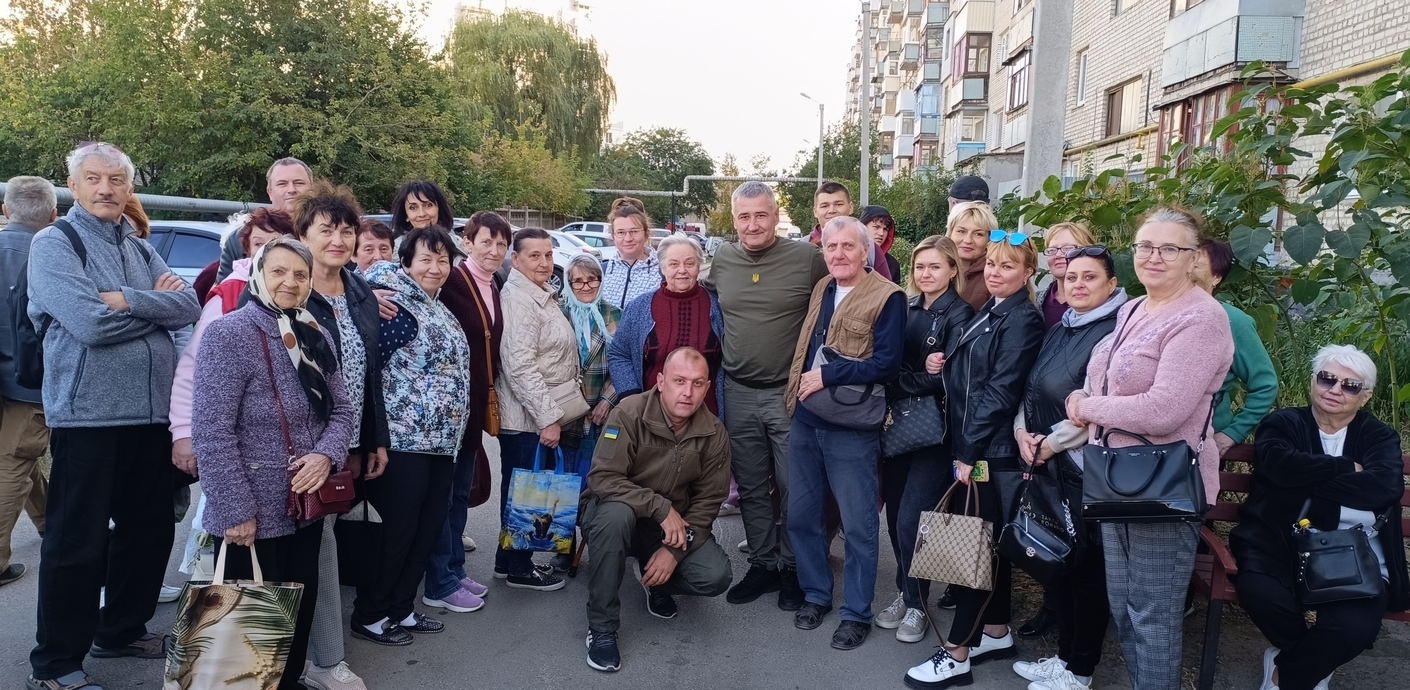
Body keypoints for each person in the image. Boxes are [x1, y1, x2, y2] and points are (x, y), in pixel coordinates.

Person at [26, 143, 201, 690]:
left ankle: (121, 629)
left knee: (149, 533)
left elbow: (189, 306)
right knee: (76, 543)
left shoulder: (137, 243)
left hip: (151, 417)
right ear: (73, 185)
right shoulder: (55, 242)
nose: (106, 189)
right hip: (89, 417)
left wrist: (123, 299)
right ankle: (56, 663)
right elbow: (90, 324)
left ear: (129, 188)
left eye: (117, 180)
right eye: (94, 178)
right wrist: (150, 302)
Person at [1064, 206, 1233, 690]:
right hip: (1114, 475)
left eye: (1169, 248)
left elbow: (1165, 410)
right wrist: (1084, 396)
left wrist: (1088, 406)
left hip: (1165, 483)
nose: (1154, 257)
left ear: (1193, 257)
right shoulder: (1134, 308)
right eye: (1145, 246)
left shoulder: (1202, 318)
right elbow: (1106, 377)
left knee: (1153, 615)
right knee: (1124, 607)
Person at [192, 237, 356, 690]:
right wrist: (235, 511)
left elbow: (342, 410)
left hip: (306, 506)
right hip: (252, 512)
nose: (290, 282)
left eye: (300, 274)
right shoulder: (230, 334)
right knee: (249, 630)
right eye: (278, 271)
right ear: (258, 275)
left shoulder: (313, 333)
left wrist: (325, 455)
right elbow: (212, 432)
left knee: (295, 617)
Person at [904, 227, 1046, 688]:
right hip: (976, 443)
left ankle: (957, 652)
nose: (995, 272)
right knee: (988, 543)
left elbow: (1000, 392)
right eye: (992, 263)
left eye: (1008, 265)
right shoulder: (993, 310)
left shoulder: (1021, 319)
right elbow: (972, 376)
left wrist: (967, 451)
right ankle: (996, 631)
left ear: (1029, 272)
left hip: (990, 450)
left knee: (975, 547)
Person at [1232, 345, 1407, 690]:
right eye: (1327, 379)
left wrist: (1301, 479)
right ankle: (1314, 662)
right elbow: (1277, 466)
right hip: (1278, 545)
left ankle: (1285, 672)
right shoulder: (1283, 422)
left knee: (1354, 628)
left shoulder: (1378, 435)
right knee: (1262, 595)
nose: (1335, 389)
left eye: (1350, 385)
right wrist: (1347, 467)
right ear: (1314, 381)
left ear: (1366, 396)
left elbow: (1385, 487)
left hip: (1354, 557)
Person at [1008, 245, 1128, 690]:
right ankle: (1063, 658)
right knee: (1060, 565)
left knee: (1086, 573)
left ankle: (1080, 670)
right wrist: (1022, 431)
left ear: (1111, 284)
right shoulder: (1063, 326)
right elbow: (1031, 386)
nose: (1078, 285)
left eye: (1089, 277)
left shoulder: (1114, 332)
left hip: (1083, 466)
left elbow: (1097, 405)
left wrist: (1050, 445)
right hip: (1045, 460)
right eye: (1072, 277)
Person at [704, 181, 826, 611]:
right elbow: (694, 289)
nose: (753, 224)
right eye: (744, 216)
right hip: (738, 391)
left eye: (761, 215)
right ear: (734, 219)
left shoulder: (807, 259)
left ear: (776, 216)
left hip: (788, 395)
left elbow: (843, 295)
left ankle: (793, 566)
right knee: (752, 486)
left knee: (794, 486)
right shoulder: (723, 259)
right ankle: (763, 563)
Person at [786, 216, 905, 651]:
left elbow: (887, 364)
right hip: (806, 421)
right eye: (831, 246)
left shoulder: (888, 297)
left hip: (851, 429)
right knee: (801, 517)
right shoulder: (823, 287)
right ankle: (816, 594)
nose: (838, 254)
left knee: (858, 526)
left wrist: (829, 375)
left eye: (848, 246)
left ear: (865, 250)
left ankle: (856, 613)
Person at [169, 208, 296, 615]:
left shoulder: (303, 312)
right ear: (247, 251)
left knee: (277, 585)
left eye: (279, 244)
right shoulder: (229, 296)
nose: (268, 253)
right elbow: (193, 372)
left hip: (287, 478)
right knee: (232, 575)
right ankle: (215, 648)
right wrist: (183, 432)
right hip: (238, 463)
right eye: (260, 245)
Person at [290, 181, 388, 689]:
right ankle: (322, 659)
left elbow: (369, 374)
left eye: (347, 230)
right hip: (301, 443)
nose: (338, 240)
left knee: (323, 541)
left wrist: (374, 439)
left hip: (348, 439)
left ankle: (316, 654)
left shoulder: (359, 290)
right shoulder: (289, 290)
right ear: (303, 234)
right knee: (312, 544)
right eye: (326, 229)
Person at [353, 226, 471, 646]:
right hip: (403, 443)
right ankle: (370, 614)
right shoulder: (393, 305)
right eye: (425, 259)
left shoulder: (438, 306)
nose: (435, 268)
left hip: (442, 443)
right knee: (398, 533)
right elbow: (368, 373)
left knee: (426, 530)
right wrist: (373, 438)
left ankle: (401, 608)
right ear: (405, 262)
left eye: (443, 260)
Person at [581, 347, 733, 673]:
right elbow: (603, 478)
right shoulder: (629, 412)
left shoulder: (713, 432)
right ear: (661, 382)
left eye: (697, 383)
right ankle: (602, 627)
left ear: (707, 387)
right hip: (614, 513)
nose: (687, 392)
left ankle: (653, 579)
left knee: (715, 576)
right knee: (616, 516)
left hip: (667, 529)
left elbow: (708, 502)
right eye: (679, 381)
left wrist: (674, 552)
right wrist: (660, 507)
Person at [875, 235, 974, 643]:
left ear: (952, 269)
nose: (926, 273)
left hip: (937, 433)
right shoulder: (907, 306)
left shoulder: (961, 314)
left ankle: (918, 604)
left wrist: (900, 381)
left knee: (915, 520)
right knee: (895, 516)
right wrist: (911, 376)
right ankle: (905, 592)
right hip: (900, 428)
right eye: (920, 267)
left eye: (935, 266)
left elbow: (951, 380)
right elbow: (886, 362)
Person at [422, 210, 511, 612]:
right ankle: (438, 582)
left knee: (459, 494)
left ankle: (454, 569)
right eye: (486, 241)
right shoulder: (452, 281)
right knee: (442, 497)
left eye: (501, 243)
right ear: (467, 242)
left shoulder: (494, 282)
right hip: (449, 410)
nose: (494, 250)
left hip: (473, 406)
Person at [495, 227, 580, 591]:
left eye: (548, 255)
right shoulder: (518, 298)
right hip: (527, 418)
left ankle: (507, 561)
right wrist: (548, 419)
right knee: (526, 494)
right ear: (515, 259)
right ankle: (520, 569)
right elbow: (520, 366)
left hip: (533, 414)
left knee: (520, 490)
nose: (544, 262)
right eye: (535, 255)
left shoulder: (538, 292)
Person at [0, 176, 56, 589]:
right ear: (53, 215)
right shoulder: (50, 256)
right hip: (30, 385)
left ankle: (48, 519)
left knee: (19, 456)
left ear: (5, 210)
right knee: (14, 461)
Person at [609, 234, 724, 416]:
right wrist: (630, 395)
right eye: (673, 264)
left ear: (699, 266)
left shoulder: (717, 306)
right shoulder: (639, 307)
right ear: (662, 267)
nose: (682, 270)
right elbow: (619, 353)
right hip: (650, 414)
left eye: (689, 263)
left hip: (706, 415)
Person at [1192, 239, 1279, 455]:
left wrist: (1234, 432)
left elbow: (1265, 384)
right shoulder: (1154, 314)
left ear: (1217, 277)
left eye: (1196, 265)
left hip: (1202, 443)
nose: (1186, 271)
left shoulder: (1233, 322)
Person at [561, 255, 621, 473]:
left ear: (600, 280)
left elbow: (626, 363)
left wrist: (607, 400)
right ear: (569, 283)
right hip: (565, 413)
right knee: (565, 480)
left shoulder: (616, 315)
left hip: (602, 413)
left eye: (592, 279)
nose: (586, 286)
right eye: (578, 281)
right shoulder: (558, 314)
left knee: (597, 477)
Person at [216, 157, 312, 281]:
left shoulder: (329, 234)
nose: (291, 190)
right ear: (270, 192)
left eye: (299, 183)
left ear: (312, 189)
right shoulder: (238, 239)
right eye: (282, 184)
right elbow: (224, 287)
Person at [806, 182, 893, 281]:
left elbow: (885, 288)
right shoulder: (803, 247)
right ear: (815, 212)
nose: (831, 210)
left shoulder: (870, 249)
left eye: (838, 204)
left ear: (851, 207)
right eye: (824, 206)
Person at [600, 198, 660, 310]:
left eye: (634, 231)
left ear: (646, 234)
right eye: (621, 232)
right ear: (613, 236)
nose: (628, 238)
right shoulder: (602, 272)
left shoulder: (663, 272)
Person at [1038, 222, 1098, 330]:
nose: (1058, 255)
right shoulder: (1035, 302)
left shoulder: (1100, 303)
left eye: (1067, 248)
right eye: (1052, 250)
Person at [947, 201, 999, 312]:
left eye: (978, 234)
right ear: (950, 233)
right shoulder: (934, 269)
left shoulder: (994, 277)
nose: (968, 240)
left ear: (989, 240)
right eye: (961, 231)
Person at [389, 179, 456, 240]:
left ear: (439, 209)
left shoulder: (456, 245)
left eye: (428, 205)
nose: (422, 214)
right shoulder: (395, 247)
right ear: (406, 215)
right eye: (413, 208)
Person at [859, 205, 902, 284]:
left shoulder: (893, 265)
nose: (881, 233)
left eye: (885, 229)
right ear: (863, 228)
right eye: (876, 227)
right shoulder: (849, 257)